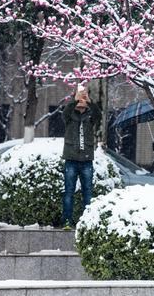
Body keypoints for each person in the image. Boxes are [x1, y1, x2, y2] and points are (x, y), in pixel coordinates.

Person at [62, 85, 101, 229]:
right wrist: (74, 100)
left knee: (88, 193)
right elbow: (65, 111)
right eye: (79, 100)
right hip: (71, 159)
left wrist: (89, 101)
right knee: (69, 192)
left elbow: (99, 114)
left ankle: (87, 222)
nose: (81, 102)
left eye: (83, 100)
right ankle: (67, 220)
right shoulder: (69, 117)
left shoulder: (90, 117)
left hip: (86, 160)